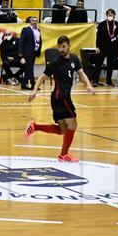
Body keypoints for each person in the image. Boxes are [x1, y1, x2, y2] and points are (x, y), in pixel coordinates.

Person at [25, 35, 95, 163]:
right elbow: (42, 77)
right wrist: (34, 91)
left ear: (69, 46)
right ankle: (64, 155)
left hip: (59, 98)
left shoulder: (74, 58)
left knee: (63, 130)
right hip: (60, 97)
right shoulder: (55, 62)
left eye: (63, 46)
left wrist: (89, 85)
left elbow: (81, 73)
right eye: (59, 47)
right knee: (73, 124)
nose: (61, 49)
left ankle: (35, 127)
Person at [94, 9, 118, 86]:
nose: (110, 15)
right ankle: (95, 80)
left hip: (113, 48)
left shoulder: (117, 24)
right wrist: (97, 46)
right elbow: (98, 36)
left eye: (111, 14)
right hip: (102, 47)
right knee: (98, 64)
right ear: (106, 15)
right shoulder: (102, 24)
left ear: (114, 15)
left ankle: (108, 81)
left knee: (110, 65)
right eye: (108, 14)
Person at [19, 16, 42, 89]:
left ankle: (24, 83)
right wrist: (21, 53)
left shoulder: (38, 30)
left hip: (35, 51)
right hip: (28, 52)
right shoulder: (26, 30)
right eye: (32, 20)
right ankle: (33, 84)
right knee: (30, 68)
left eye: (36, 20)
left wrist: (38, 50)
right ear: (30, 22)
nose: (34, 22)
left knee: (28, 68)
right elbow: (21, 42)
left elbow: (39, 41)